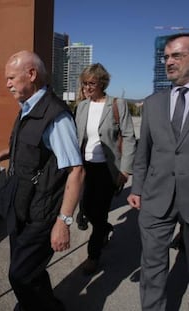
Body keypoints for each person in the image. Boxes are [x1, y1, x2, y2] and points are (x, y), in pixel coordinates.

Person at [0, 50, 84, 311]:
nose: (7, 84)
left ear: (32, 74)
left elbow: (76, 171)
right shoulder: (27, 108)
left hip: (42, 211)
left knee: (20, 275)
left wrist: (64, 221)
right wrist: (0, 155)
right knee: (30, 269)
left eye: (11, 78)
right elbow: (30, 147)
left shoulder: (56, 115)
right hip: (20, 205)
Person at [127, 33, 189, 311]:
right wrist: (137, 188)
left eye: (177, 55)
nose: (169, 62)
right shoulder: (153, 103)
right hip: (155, 198)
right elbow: (144, 153)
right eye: (166, 57)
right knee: (152, 267)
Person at [75, 63, 136, 275]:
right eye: (84, 83)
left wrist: (125, 171)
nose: (87, 87)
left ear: (102, 83)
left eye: (91, 83)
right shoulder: (82, 106)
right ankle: (105, 229)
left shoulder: (117, 104)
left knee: (98, 212)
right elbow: (77, 138)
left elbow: (129, 137)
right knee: (87, 209)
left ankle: (93, 256)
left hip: (107, 169)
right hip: (85, 167)